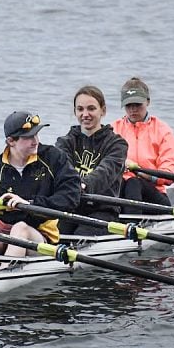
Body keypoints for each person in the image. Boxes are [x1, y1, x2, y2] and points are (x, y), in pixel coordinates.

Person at [0, 111, 81, 263]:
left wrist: (29, 204)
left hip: (41, 238)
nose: (35, 141)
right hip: (3, 236)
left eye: (36, 135)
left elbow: (71, 196)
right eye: (28, 137)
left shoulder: (53, 158)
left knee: (20, 228)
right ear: (11, 141)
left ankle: (4, 275)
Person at [55, 85, 128, 236]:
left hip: (102, 211)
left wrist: (83, 185)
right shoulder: (64, 142)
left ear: (103, 110)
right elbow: (63, 170)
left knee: (79, 239)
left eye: (91, 109)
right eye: (80, 109)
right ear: (75, 111)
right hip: (70, 207)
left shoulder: (117, 144)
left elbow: (105, 172)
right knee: (55, 236)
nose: (85, 114)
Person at [111, 76, 174, 207]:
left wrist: (144, 174)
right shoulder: (113, 130)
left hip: (154, 195)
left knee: (134, 183)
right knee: (125, 184)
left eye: (137, 104)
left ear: (148, 101)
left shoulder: (162, 131)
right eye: (128, 105)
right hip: (121, 193)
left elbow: (169, 173)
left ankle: (131, 225)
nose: (133, 109)